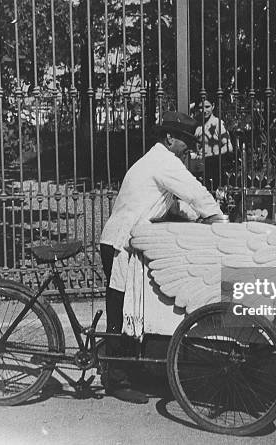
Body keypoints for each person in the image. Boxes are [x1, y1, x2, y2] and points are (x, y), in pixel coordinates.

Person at [99, 111, 223, 404]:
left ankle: (130, 369)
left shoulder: (158, 161)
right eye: (185, 141)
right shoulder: (163, 162)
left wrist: (196, 218)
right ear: (170, 139)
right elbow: (195, 193)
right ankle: (116, 379)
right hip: (120, 245)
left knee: (133, 308)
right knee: (121, 311)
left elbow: (175, 204)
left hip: (121, 240)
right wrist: (218, 219)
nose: (188, 147)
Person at [192, 98, 234, 188]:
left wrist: (211, 154)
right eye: (201, 107)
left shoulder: (217, 123)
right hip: (199, 169)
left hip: (215, 169)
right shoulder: (197, 125)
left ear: (213, 106)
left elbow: (229, 146)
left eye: (207, 107)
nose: (204, 110)